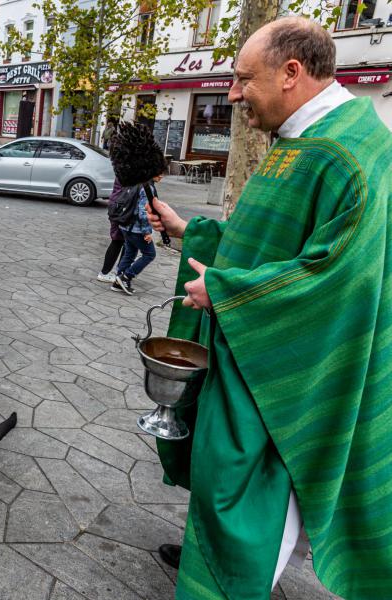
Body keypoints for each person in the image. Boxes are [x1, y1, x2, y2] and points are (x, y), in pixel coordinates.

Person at [146, 17, 392, 599]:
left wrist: (227, 293)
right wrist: (194, 234)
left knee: (252, 496)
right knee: (221, 481)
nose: (231, 94)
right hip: (247, 347)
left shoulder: (345, 155)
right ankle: (216, 562)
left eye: (241, 79)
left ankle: (232, 583)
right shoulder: (305, 138)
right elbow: (269, 237)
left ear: (291, 73)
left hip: (285, 373)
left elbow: (338, 279)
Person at [107, 121, 165, 295]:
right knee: (149, 254)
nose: (162, 176)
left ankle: (118, 278)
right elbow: (143, 211)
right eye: (160, 172)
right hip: (137, 229)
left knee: (130, 253)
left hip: (125, 225)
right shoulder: (146, 188)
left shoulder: (134, 183)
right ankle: (126, 277)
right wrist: (148, 231)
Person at [96, 179, 125, 283]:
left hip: (118, 205)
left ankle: (119, 272)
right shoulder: (130, 169)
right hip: (121, 207)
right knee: (118, 240)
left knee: (124, 241)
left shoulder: (126, 166)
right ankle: (105, 273)